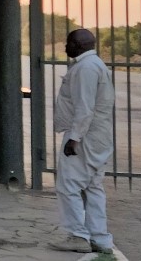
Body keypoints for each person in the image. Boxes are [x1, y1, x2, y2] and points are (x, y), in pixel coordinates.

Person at [49, 28, 116, 255]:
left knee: (69, 185)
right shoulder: (94, 65)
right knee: (93, 186)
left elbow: (84, 108)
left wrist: (73, 139)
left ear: (77, 45)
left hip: (84, 136)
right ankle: (100, 238)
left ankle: (78, 235)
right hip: (98, 136)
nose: (65, 47)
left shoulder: (85, 68)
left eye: (68, 43)